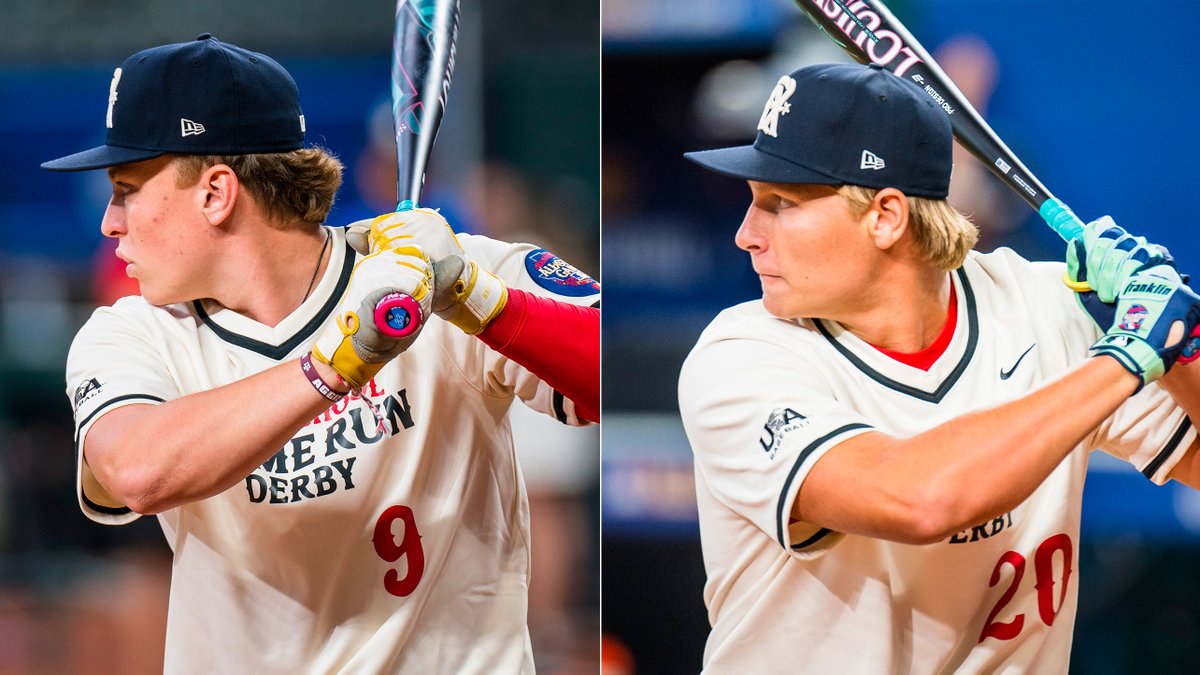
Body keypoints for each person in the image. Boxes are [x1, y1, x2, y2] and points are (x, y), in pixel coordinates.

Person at [44, 34, 599, 673]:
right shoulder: (131, 333)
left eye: (127, 188)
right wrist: (331, 368)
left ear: (216, 193)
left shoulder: (442, 271)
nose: (111, 222)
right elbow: (137, 471)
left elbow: (609, 376)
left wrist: (480, 299)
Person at [678, 61, 1200, 673]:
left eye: (780, 203)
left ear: (885, 216)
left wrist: (1179, 349)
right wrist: (1128, 355)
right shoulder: (739, 356)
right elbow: (920, 501)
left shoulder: (1042, 305)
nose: (746, 234)